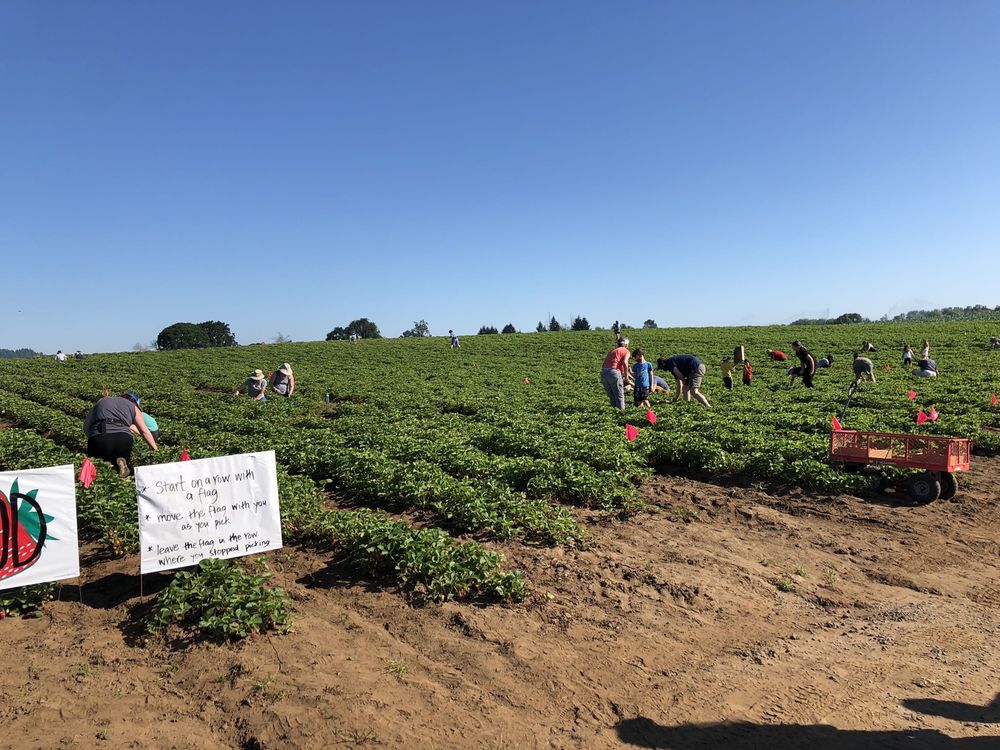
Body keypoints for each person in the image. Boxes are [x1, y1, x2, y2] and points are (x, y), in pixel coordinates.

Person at [84, 391, 158, 477]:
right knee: (120, 460)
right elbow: (144, 431)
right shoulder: (133, 407)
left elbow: (86, 425)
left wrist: (91, 438)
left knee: (98, 468)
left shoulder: (102, 401)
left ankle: (106, 467)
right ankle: (120, 466)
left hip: (100, 435)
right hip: (123, 438)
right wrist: (155, 449)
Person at [600, 338, 631, 409]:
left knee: (612, 395)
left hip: (604, 372)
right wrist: (626, 378)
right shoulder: (626, 351)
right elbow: (625, 362)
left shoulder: (613, 351)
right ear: (626, 345)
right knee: (619, 395)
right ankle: (621, 413)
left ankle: (614, 411)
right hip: (613, 372)